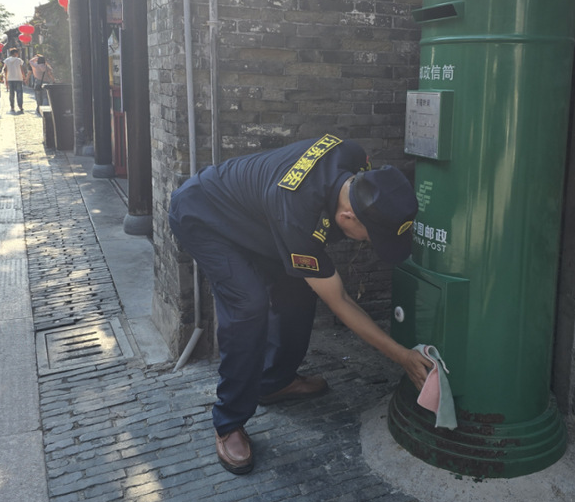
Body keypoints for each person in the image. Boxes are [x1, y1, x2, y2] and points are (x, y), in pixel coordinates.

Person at [168, 134, 432, 475]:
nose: (369, 244)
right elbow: (341, 301)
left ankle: (275, 381)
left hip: (259, 219)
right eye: (371, 236)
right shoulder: (298, 218)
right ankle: (228, 421)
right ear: (348, 217)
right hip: (203, 215)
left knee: (300, 290)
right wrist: (402, 356)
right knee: (248, 305)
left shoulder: (353, 156)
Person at [2, 48, 25, 112]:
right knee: (19, 93)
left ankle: (12, 107)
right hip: (18, 78)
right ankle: (20, 106)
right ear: (15, 53)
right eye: (17, 53)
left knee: (11, 93)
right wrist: (24, 77)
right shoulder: (19, 60)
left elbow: (5, 70)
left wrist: (6, 79)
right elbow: (21, 69)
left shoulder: (6, 60)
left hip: (10, 78)